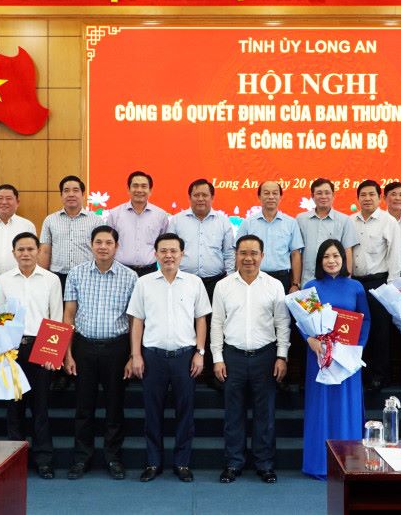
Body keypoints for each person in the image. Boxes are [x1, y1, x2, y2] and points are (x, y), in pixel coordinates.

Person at [127, 233, 210, 483]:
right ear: (156, 254)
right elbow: (137, 320)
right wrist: (136, 355)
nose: (169, 255)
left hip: (185, 356)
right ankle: (153, 462)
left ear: (182, 254)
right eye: (163, 251)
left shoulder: (194, 282)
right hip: (152, 356)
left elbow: (201, 320)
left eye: (174, 251)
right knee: (152, 412)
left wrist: (200, 352)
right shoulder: (144, 283)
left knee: (186, 411)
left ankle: (182, 463)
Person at [211, 235, 290, 484]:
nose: (248, 258)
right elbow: (216, 323)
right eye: (243, 252)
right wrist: (217, 357)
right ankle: (233, 463)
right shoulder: (223, 286)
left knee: (264, 414)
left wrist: (282, 356)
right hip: (232, 356)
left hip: (265, 357)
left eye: (254, 253)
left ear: (262, 256)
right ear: (236, 255)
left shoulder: (275, 285)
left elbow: (282, 323)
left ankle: (264, 464)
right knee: (233, 413)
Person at [62, 225, 138, 481]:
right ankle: (82, 458)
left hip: (116, 348)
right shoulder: (76, 274)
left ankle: (113, 458)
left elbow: (134, 319)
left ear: (116, 246)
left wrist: (131, 355)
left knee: (115, 407)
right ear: (91, 245)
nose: (103, 246)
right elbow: (69, 315)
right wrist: (67, 353)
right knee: (84, 407)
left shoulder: (130, 277)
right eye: (98, 242)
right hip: (83, 347)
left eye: (109, 242)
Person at [0, 232, 64, 479]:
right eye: (20, 249)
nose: (25, 254)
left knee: (40, 407)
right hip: (11, 349)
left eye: (30, 249)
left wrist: (53, 354)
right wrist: (0, 350)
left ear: (38, 251)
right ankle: (16, 461)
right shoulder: (3, 280)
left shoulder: (51, 280)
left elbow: (56, 317)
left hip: (41, 346)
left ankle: (44, 460)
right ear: (14, 253)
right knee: (14, 407)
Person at [301, 239, 370, 480]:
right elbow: (303, 320)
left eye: (336, 256)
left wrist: (356, 346)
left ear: (344, 259)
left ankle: (348, 463)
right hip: (320, 356)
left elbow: (366, 320)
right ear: (320, 260)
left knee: (346, 407)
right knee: (321, 407)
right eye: (326, 256)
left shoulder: (356, 287)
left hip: (347, 358)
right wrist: (309, 339)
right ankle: (319, 464)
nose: (332, 260)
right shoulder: (310, 287)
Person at [236, 180, 304, 386]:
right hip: (254, 278)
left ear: (281, 197)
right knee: (260, 323)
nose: (271, 197)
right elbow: (238, 253)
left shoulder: (290, 222)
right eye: (266, 193)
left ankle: (284, 373)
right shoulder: (249, 223)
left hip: (283, 279)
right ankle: (263, 372)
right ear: (259, 197)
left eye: (275, 193)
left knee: (284, 325)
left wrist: (295, 283)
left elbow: (295, 254)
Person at [168, 179, 235, 385]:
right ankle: (188, 370)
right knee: (186, 324)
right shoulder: (177, 221)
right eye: (196, 195)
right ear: (189, 197)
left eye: (205, 195)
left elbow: (229, 253)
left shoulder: (223, 221)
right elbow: (169, 249)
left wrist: (230, 279)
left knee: (215, 325)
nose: (200, 199)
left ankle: (212, 371)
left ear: (212, 197)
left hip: (215, 282)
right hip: (184, 282)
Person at [349, 180, 401, 390]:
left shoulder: (388, 222)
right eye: (363, 195)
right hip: (355, 283)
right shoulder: (350, 221)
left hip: (379, 283)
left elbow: (395, 255)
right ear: (358, 198)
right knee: (357, 330)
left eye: (372, 194)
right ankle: (359, 373)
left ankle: (379, 376)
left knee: (380, 331)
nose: (367, 198)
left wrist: (391, 286)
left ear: (379, 197)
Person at [37, 175, 105, 290]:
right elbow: (44, 251)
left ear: (83, 194)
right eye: (66, 191)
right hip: (57, 278)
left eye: (76, 190)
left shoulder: (96, 220)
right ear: (61, 195)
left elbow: (100, 250)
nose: (71, 194)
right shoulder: (50, 220)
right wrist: (42, 277)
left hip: (87, 277)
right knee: (59, 308)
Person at [106, 170, 169, 277]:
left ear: (150, 191)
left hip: (150, 271)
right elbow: (108, 242)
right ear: (128, 189)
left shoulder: (160, 215)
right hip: (121, 271)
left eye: (144, 186)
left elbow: (165, 244)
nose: (139, 190)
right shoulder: (115, 214)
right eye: (135, 186)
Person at [296, 178, 357, 287]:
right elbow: (297, 253)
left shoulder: (344, 220)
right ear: (312, 196)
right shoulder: (301, 219)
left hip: (335, 280)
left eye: (327, 193)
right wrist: (295, 282)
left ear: (333, 195)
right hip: (308, 280)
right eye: (319, 193)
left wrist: (347, 280)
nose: (323, 196)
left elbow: (348, 251)